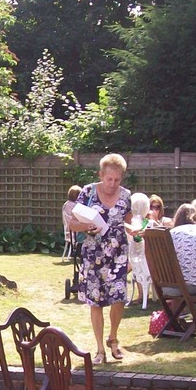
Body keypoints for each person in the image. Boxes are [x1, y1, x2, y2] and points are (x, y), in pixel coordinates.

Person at [72, 154, 133, 362]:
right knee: (96, 302)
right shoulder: (87, 192)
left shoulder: (126, 196)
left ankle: (113, 338)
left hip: (118, 255)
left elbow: (128, 222)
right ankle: (100, 349)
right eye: (109, 179)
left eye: (117, 180)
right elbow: (72, 223)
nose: (112, 184)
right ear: (101, 175)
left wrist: (135, 231)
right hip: (93, 254)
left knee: (118, 298)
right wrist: (86, 227)